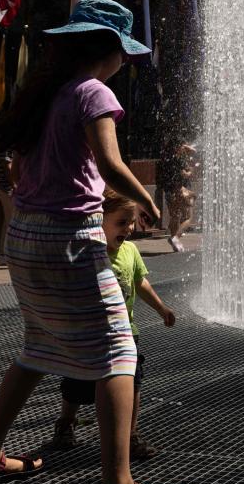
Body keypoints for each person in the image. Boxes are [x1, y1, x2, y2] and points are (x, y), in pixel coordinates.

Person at [0, 0, 192, 484]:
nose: (125, 65)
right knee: (118, 353)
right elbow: (110, 164)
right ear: (109, 50)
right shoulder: (93, 92)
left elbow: (20, 177)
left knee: (37, 347)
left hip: (24, 238)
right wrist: (150, 199)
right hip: (70, 240)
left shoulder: (43, 97)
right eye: (124, 55)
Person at [52, 189, 176, 460]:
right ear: (99, 220)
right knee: (77, 384)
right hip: (90, 333)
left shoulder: (130, 251)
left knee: (133, 384)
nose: (129, 229)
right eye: (122, 222)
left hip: (126, 333)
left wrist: (161, 307)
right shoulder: (89, 252)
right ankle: (65, 424)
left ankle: (129, 437)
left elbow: (140, 282)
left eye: (131, 222)